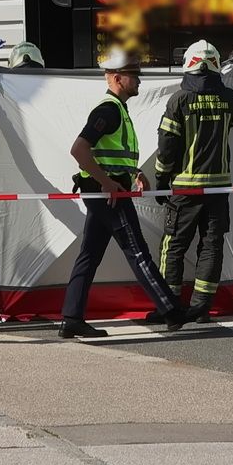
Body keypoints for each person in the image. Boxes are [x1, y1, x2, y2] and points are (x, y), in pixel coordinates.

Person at [59, 49, 183, 339]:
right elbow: (79, 150)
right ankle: (172, 311)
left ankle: (71, 318)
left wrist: (135, 172)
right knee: (137, 251)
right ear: (117, 78)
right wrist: (107, 183)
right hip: (110, 193)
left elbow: (112, 154)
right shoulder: (108, 110)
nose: (139, 80)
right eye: (134, 75)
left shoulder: (117, 109)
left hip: (110, 189)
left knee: (89, 255)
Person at [156, 38, 233, 324]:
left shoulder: (179, 100)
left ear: (189, 65)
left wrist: (160, 179)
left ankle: (169, 306)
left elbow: (167, 146)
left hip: (185, 187)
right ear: (217, 65)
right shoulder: (231, 99)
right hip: (219, 187)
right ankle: (201, 308)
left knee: (174, 245)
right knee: (211, 245)